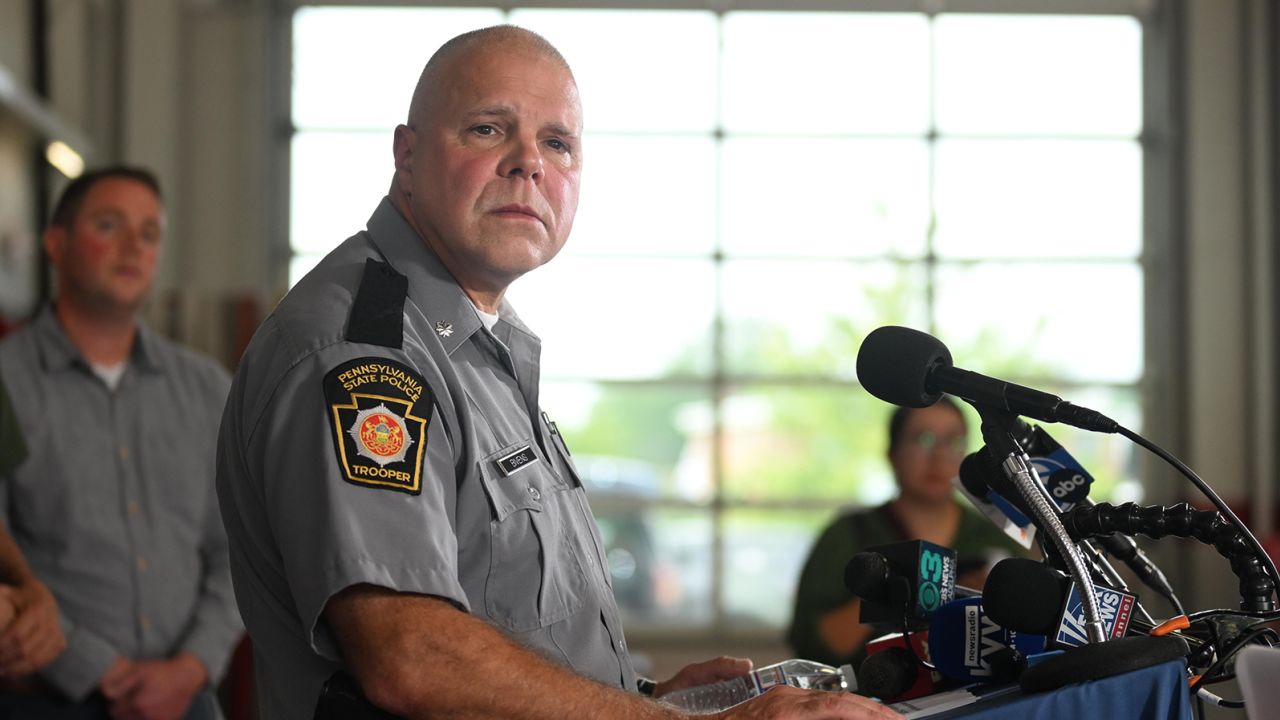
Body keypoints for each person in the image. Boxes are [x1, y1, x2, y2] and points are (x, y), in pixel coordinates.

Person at [216, 25, 900, 720]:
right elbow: (410, 657)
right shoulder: (367, 354)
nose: (528, 165)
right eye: (487, 130)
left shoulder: (482, 347)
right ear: (407, 155)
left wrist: (649, 699)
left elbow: (508, 623)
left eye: (557, 143)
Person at [0, 167, 243, 719]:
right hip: (44, 700)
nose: (134, 246)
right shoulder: (5, 383)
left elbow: (239, 548)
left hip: (186, 699)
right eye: (109, 226)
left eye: (150, 233)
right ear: (55, 244)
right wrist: (95, 670)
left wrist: (192, 666)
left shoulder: (207, 389)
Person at [788, 397, 1025, 669]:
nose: (939, 456)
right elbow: (811, 645)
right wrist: (892, 592)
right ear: (892, 454)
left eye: (954, 441)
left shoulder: (993, 535)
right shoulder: (849, 535)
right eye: (923, 440)